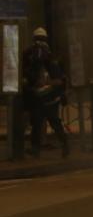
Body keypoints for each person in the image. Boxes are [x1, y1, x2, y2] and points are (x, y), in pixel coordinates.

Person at [21, 28, 68, 159]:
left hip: (42, 96)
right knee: (50, 122)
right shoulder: (50, 54)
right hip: (49, 96)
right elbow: (59, 78)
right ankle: (64, 146)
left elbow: (29, 75)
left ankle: (37, 150)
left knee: (39, 122)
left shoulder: (32, 54)